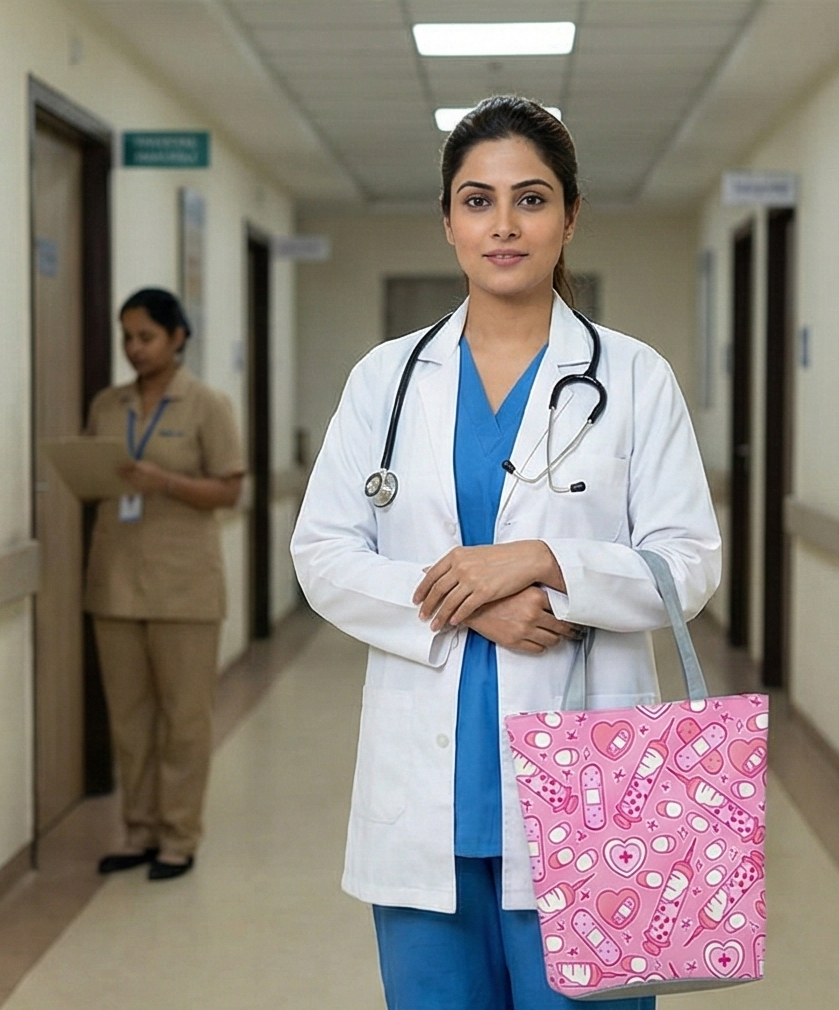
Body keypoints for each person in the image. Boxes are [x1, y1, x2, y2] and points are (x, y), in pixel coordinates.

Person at [291, 97, 720, 1009]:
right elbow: (323, 551)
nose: (503, 224)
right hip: (427, 799)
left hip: (593, 785)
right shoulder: (387, 379)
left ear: (569, 216)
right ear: (447, 221)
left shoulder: (634, 377)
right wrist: (470, 600)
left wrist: (543, 560)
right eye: (477, 200)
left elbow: (686, 561)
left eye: (530, 198)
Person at [85, 288, 244, 881]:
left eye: (146, 336)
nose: (134, 348)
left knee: (183, 719)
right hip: (115, 582)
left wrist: (163, 481)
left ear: (178, 336)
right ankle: (138, 831)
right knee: (128, 720)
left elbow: (230, 490)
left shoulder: (206, 405)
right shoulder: (108, 404)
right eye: (127, 337)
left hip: (185, 587)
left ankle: (179, 836)